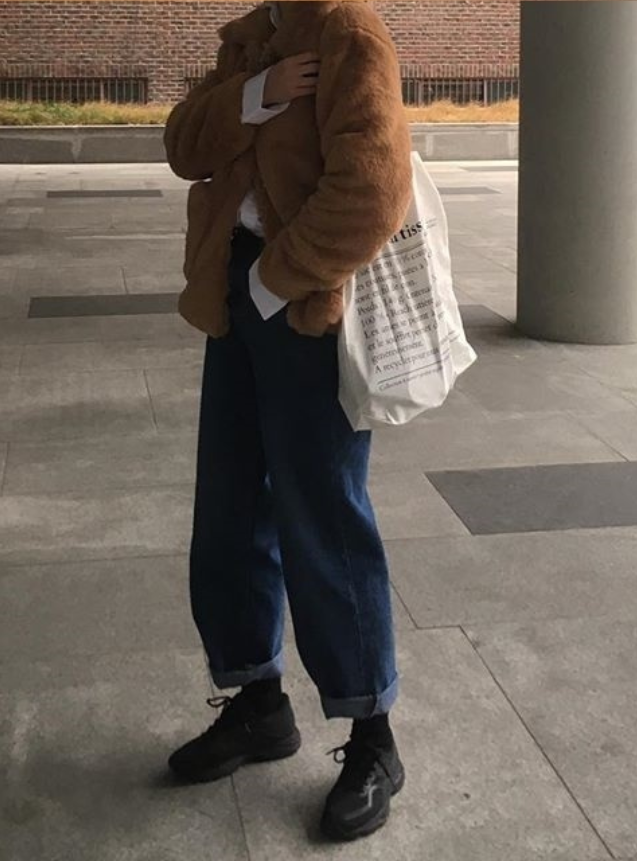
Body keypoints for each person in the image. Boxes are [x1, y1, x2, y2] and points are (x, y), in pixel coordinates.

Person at [163, 0, 412, 841]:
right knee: (229, 506)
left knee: (323, 517)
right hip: (233, 297)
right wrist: (253, 96)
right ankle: (258, 703)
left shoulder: (346, 30)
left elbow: (373, 190)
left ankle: (373, 738)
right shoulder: (249, 36)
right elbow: (182, 147)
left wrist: (278, 279)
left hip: (302, 304)